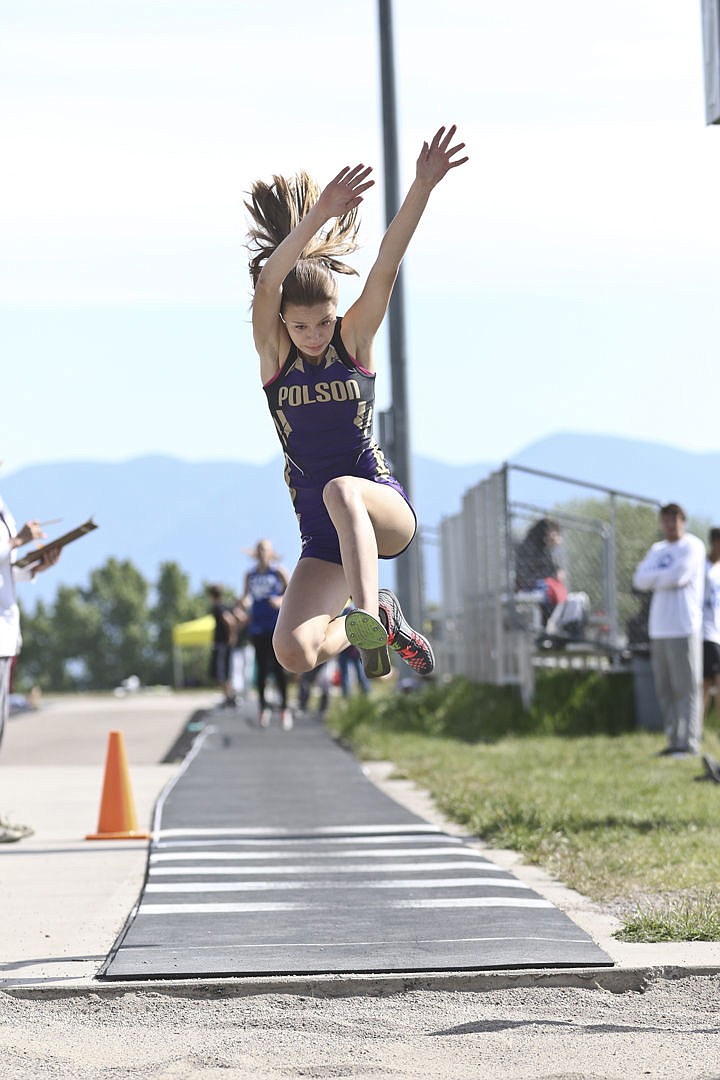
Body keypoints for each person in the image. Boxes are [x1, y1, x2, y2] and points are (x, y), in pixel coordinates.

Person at [245, 125, 467, 682]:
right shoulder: (275, 355)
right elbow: (270, 281)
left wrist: (422, 186)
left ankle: (367, 612)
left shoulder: (354, 340)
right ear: (282, 325)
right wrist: (319, 214)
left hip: (379, 510)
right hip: (324, 537)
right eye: (301, 326)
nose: (315, 335)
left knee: (341, 487)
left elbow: (386, 264)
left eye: (324, 321)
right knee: (293, 652)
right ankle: (378, 619)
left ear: (337, 311)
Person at [1, 492, 60, 842]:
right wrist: (17, 540)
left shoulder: (2, 504)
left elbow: (5, 569)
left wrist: (35, 565)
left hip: (6, 634)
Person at [632, 503, 706, 757]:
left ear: (683, 521)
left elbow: (679, 577)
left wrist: (657, 577)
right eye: (665, 520)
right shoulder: (657, 549)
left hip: (683, 627)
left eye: (675, 519)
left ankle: (690, 742)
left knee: (686, 687)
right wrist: (662, 577)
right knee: (664, 688)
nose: (670, 525)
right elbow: (639, 580)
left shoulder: (693, 546)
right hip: (659, 628)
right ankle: (673, 740)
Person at [242, 539, 291, 729]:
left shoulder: (278, 571)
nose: (263, 553)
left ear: (271, 553)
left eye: (266, 550)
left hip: (275, 625)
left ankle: (284, 708)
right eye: (260, 549)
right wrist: (243, 605)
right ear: (256, 553)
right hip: (257, 626)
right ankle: (263, 708)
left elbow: (291, 590)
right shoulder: (250, 574)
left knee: (278, 668)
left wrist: (280, 599)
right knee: (261, 670)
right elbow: (246, 595)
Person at [515, 517, 568, 625]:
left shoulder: (545, 550)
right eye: (554, 532)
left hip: (539, 587)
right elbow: (531, 574)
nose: (556, 536)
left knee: (558, 592)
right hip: (529, 586)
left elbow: (554, 570)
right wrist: (553, 575)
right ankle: (549, 626)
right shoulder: (530, 547)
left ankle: (550, 625)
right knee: (553, 591)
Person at [207, 584, 239, 708]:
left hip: (221, 643)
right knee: (226, 671)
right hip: (226, 644)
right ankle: (229, 696)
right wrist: (233, 635)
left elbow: (230, 620)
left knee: (220, 672)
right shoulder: (227, 606)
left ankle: (228, 697)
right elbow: (239, 617)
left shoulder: (218, 607)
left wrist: (232, 636)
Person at [702, 527, 720, 721]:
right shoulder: (702, 567)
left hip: (718, 632)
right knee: (706, 683)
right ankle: (697, 729)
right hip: (706, 633)